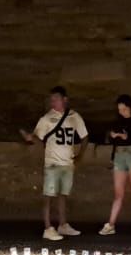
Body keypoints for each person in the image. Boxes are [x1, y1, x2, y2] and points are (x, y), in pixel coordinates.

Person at [21, 86, 89, 241]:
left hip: (67, 162)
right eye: (51, 100)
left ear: (65, 100)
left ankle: (63, 225)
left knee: (63, 195)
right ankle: (48, 228)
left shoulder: (73, 116)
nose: (53, 102)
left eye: (56, 99)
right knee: (49, 195)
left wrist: (80, 155)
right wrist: (30, 138)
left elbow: (85, 136)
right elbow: (38, 139)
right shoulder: (46, 119)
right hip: (52, 163)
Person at [99, 94, 131, 237]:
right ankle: (110, 224)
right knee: (118, 193)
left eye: (124, 109)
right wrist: (112, 136)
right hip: (119, 157)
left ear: (130, 107)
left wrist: (128, 137)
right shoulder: (117, 122)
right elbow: (111, 141)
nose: (121, 112)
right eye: (119, 109)